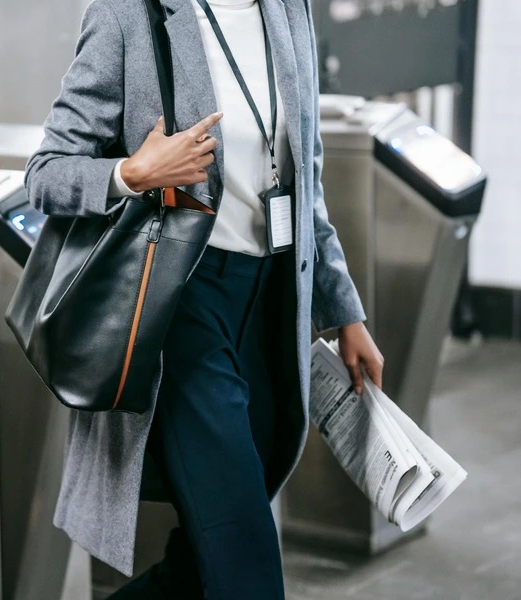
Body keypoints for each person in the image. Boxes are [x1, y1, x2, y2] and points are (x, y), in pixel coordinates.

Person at [25, 0, 385, 596]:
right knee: (246, 565)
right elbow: (46, 173)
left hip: (271, 307)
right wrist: (133, 173)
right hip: (182, 306)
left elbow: (306, 179)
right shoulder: (127, 16)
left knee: (203, 565)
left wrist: (344, 312)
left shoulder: (287, 10)